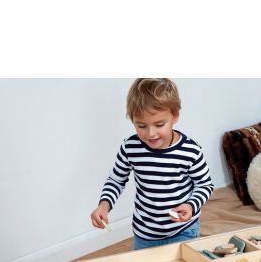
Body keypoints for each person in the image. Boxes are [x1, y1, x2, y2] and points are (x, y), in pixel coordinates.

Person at [90, 78, 214, 250]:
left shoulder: (190, 151)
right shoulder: (130, 147)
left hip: (183, 231)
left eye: (159, 124)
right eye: (141, 126)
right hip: (144, 234)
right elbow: (116, 180)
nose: (151, 133)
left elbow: (205, 184)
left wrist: (191, 205)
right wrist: (104, 205)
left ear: (175, 115)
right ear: (132, 120)